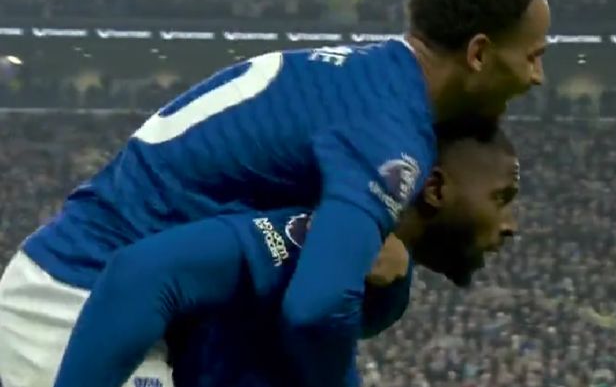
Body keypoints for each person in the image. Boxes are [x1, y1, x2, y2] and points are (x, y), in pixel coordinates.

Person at [0, 0, 547, 387]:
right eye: (532, 56)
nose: (536, 77)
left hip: (104, 295)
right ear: (478, 53)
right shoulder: (389, 134)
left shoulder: (369, 80)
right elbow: (317, 307)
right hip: (75, 303)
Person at [58, 119, 517, 387]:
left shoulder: (389, 270)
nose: (511, 224)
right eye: (501, 198)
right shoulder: (315, 231)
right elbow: (142, 271)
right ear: (435, 188)